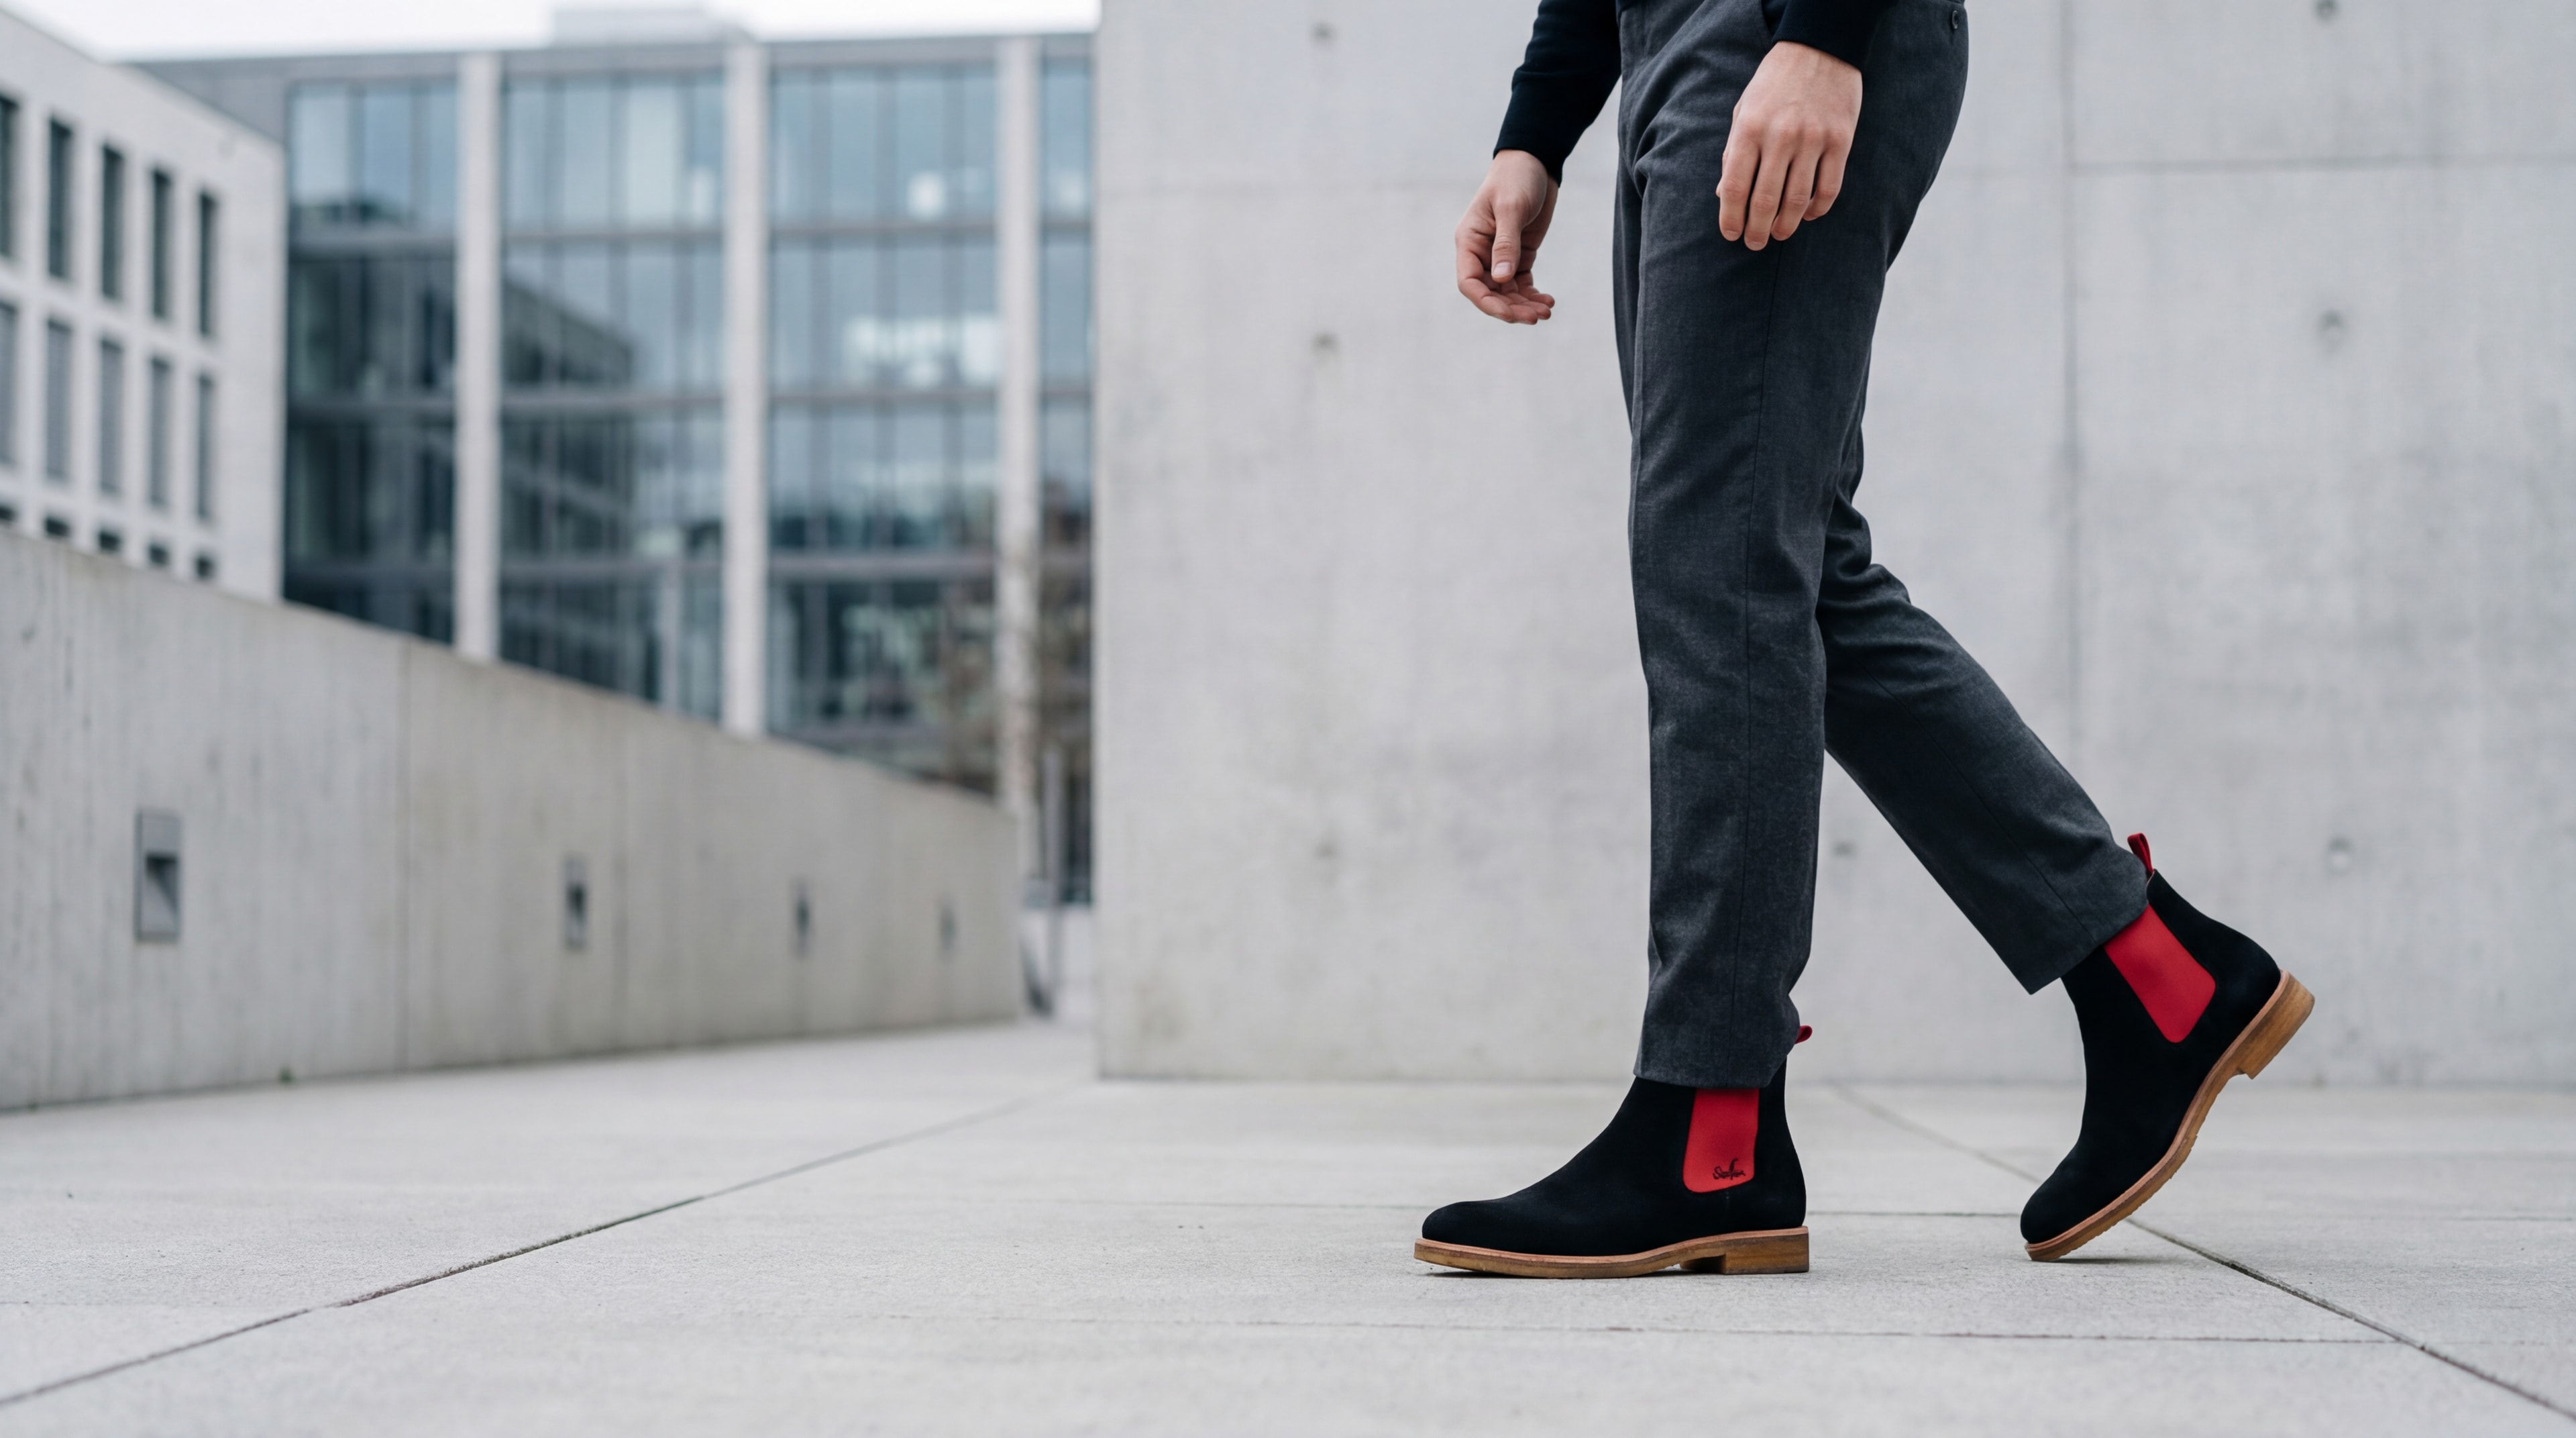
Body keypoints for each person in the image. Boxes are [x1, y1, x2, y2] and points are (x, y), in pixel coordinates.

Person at [1414, 0, 2315, 1278]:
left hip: (1779, 32)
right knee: (1777, 566)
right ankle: (2155, 977)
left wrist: (1829, 29)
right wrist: (1537, 128)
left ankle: (1707, 1123)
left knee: (1724, 565)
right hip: (1673, 47)